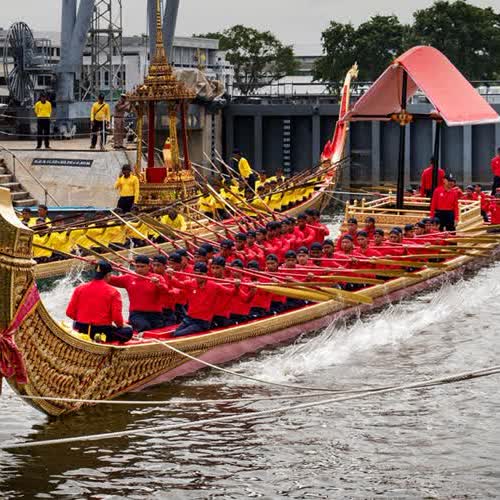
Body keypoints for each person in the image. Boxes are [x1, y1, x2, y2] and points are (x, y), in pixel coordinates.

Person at [66, 261, 133, 343]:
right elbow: (117, 318)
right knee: (128, 331)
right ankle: (98, 337)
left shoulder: (79, 288)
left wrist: (84, 320)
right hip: (101, 331)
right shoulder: (113, 292)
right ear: (108, 275)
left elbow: (69, 313)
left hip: (81, 328)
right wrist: (122, 325)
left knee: (76, 323)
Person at [172, 262, 240, 337]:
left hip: (202, 322)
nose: (197, 277)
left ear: (206, 274)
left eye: (200, 274)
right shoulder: (191, 283)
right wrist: (170, 276)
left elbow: (231, 293)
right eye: (195, 274)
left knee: (177, 335)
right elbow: (177, 284)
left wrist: (236, 286)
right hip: (189, 319)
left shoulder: (213, 286)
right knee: (174, 334)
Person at [109, 255, 168, 332]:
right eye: (137, 266)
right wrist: (101, 268)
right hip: (136, 314)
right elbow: (108, 279)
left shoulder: (157, 278)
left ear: (149, 266)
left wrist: (158, 284)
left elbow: (166, 292)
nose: (139, 269)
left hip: (155, 314)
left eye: (142, 266)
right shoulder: (128, 278)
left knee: (157, 329)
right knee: (144, 326)